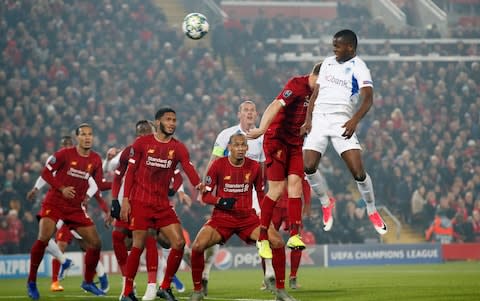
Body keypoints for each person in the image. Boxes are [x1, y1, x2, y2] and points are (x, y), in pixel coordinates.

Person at [188, 133, 296, 301]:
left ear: (247, 147)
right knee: (197, 246)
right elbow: (205, 196)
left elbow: (261, 195)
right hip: (222, 218)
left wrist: (266, 219)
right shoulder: (218, 165)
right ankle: (197, 290)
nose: (240, 149)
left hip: (248, 218)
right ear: (229, 147)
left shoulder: (254, 167)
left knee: (277, 242)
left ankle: (280, 290)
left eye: (243, 145)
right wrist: (221, 201)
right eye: (236, 145)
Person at [301, 29, 387, 235]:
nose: (334, 49)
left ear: (350, 47)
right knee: (308, 167)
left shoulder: (360, 68)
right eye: (333, 45)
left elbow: (368, 99)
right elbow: (316, 94)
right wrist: (308, 119)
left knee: (358, 172)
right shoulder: (328, 62)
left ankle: (372, 209)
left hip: (342, 120)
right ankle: (325, 202)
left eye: (337, 46)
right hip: (320, 118)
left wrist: (354, 120)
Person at [119, 108, 202, 301]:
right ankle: (127, 292)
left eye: (174, 120)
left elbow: (188, 167)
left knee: (179, 243)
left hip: (162, 204)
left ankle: (164, 287)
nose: (172, 123)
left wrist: (198, 184)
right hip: (140, 202)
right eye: (168, 120)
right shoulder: (141, 143)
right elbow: (130, 172)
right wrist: (125, 200)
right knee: (138, 245)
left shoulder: (178, 147)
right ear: (157, 122)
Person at [194, 100, 272, 294]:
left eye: (253, 110)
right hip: (227, 189)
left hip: (250, 190)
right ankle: (205, 275)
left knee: (264, 232)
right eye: (246, 110)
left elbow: (262, 169)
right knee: (216, 237)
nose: (249, 113)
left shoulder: (262, 137)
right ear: (239, 114)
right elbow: (214, 161)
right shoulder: (225, 135)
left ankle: (268, 276)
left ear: (256, 114)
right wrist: (205, 188)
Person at [247, 62, 321, 258]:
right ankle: (262, 238)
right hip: (276, 140)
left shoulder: (318, 92)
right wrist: (262, 129)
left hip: (295, 142)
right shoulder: (297, 84)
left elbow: (312, 111)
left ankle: (295, 235)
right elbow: (275, 105)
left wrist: (309, 124)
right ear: (315, 76)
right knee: (277, 189)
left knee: (296, 183)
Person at [27, 124, 106, 299]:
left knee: (96, 243)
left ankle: (87, 282)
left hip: (75, 208)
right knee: (44, 238)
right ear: (77, 137)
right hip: (54, 202)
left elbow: (99, 184)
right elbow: (46, 173)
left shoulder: (96, 159)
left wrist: (119, 183)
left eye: (90, 134)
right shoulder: (64, 154)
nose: (87, 137)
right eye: (83, 134)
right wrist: (62, 188)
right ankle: (31, 282)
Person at [109, 120, 184, 301]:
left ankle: (153, 285)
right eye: (140, 133)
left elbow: (176, 174)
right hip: (132, 202)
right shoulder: (130, 150)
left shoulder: (163, 150)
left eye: (146, 132)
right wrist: (115, 201)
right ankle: (128, 285)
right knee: (120, 238)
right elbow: (115, 171)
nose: (143, 136)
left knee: (152, 240)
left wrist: (177, 190)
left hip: (151, 203)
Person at [271, 177, 311, 289]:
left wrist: (307, 204)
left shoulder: (297, 161)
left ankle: (293, 277)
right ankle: (268, 276)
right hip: (275, 206)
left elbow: (305, 183)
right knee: (269, 242)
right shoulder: (272, 161)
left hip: (292, 206)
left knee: (296, 242)